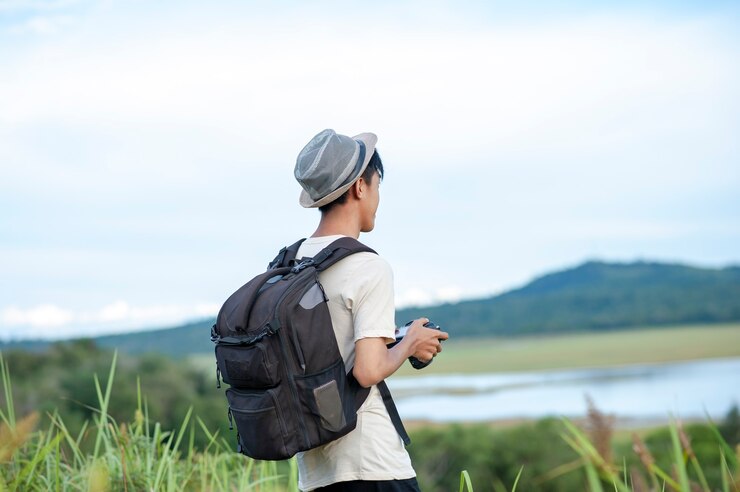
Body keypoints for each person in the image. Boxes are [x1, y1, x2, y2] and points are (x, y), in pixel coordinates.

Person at [292, 129, 450, 491]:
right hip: (373, 464)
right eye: (377, 185)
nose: (377, 198)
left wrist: (399, 340)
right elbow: (367, 371)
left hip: (316, 470)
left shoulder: (293, 263)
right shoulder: (367, 266)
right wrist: (409, 342)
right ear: (360, 188)